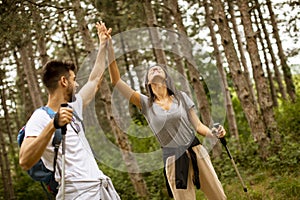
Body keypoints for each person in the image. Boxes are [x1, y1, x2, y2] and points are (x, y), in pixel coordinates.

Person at [105, 28, 227, 200]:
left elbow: (198, 126)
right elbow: (116, 81)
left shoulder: (181, 98)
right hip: (173, 158)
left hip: (196, 150)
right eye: (151, 70)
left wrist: (214, 133)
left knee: (219, 197)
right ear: (147, 81)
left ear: (166, 77)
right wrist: (109, 47)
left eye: (158, 68)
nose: (155, 69)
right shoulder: (145, 103)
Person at [19, 22, 120, 200]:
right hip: (78, 195)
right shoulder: (40, 117)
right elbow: (25, 160)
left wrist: (103, 44)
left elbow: (95, 80)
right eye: (74, 79)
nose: (77, 84)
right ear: (64, 82)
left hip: (100, 189)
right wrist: (53, 125)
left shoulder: (72, 109)